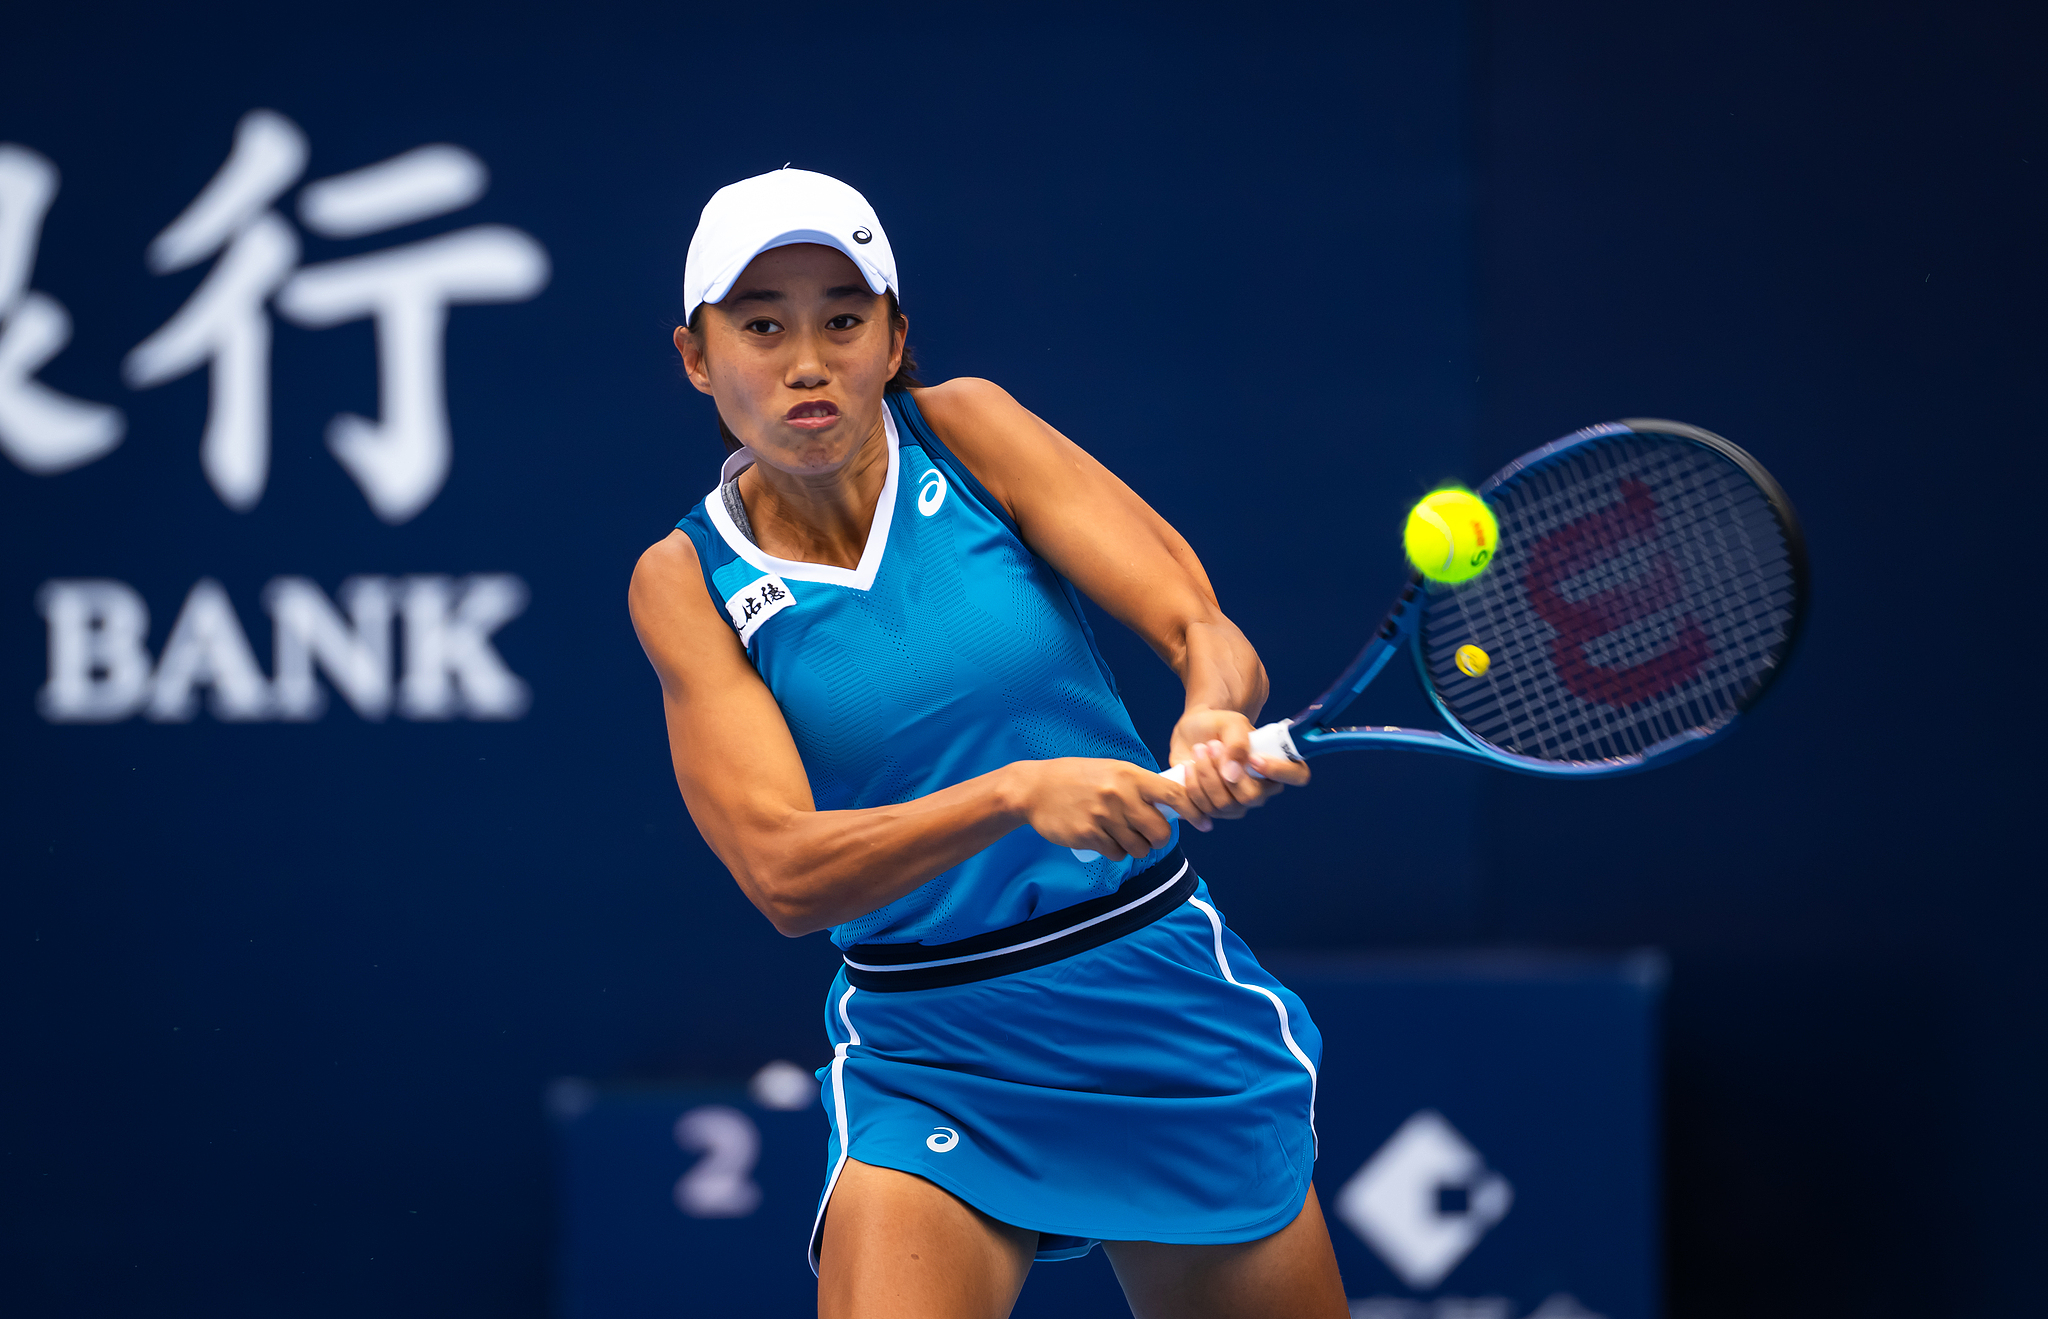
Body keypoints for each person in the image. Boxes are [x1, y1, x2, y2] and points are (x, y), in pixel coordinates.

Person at [629, 168, 1349, 1319]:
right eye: (760, 324)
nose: (806, 358)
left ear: (894, 337)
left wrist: (1210, 709)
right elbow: (781, 870)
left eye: (842, 318)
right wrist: (1012, 795)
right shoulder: (685, 581)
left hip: (1153, 996)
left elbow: (1197, 625)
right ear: (696, 357)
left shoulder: (967, 431)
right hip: (930, 1040)